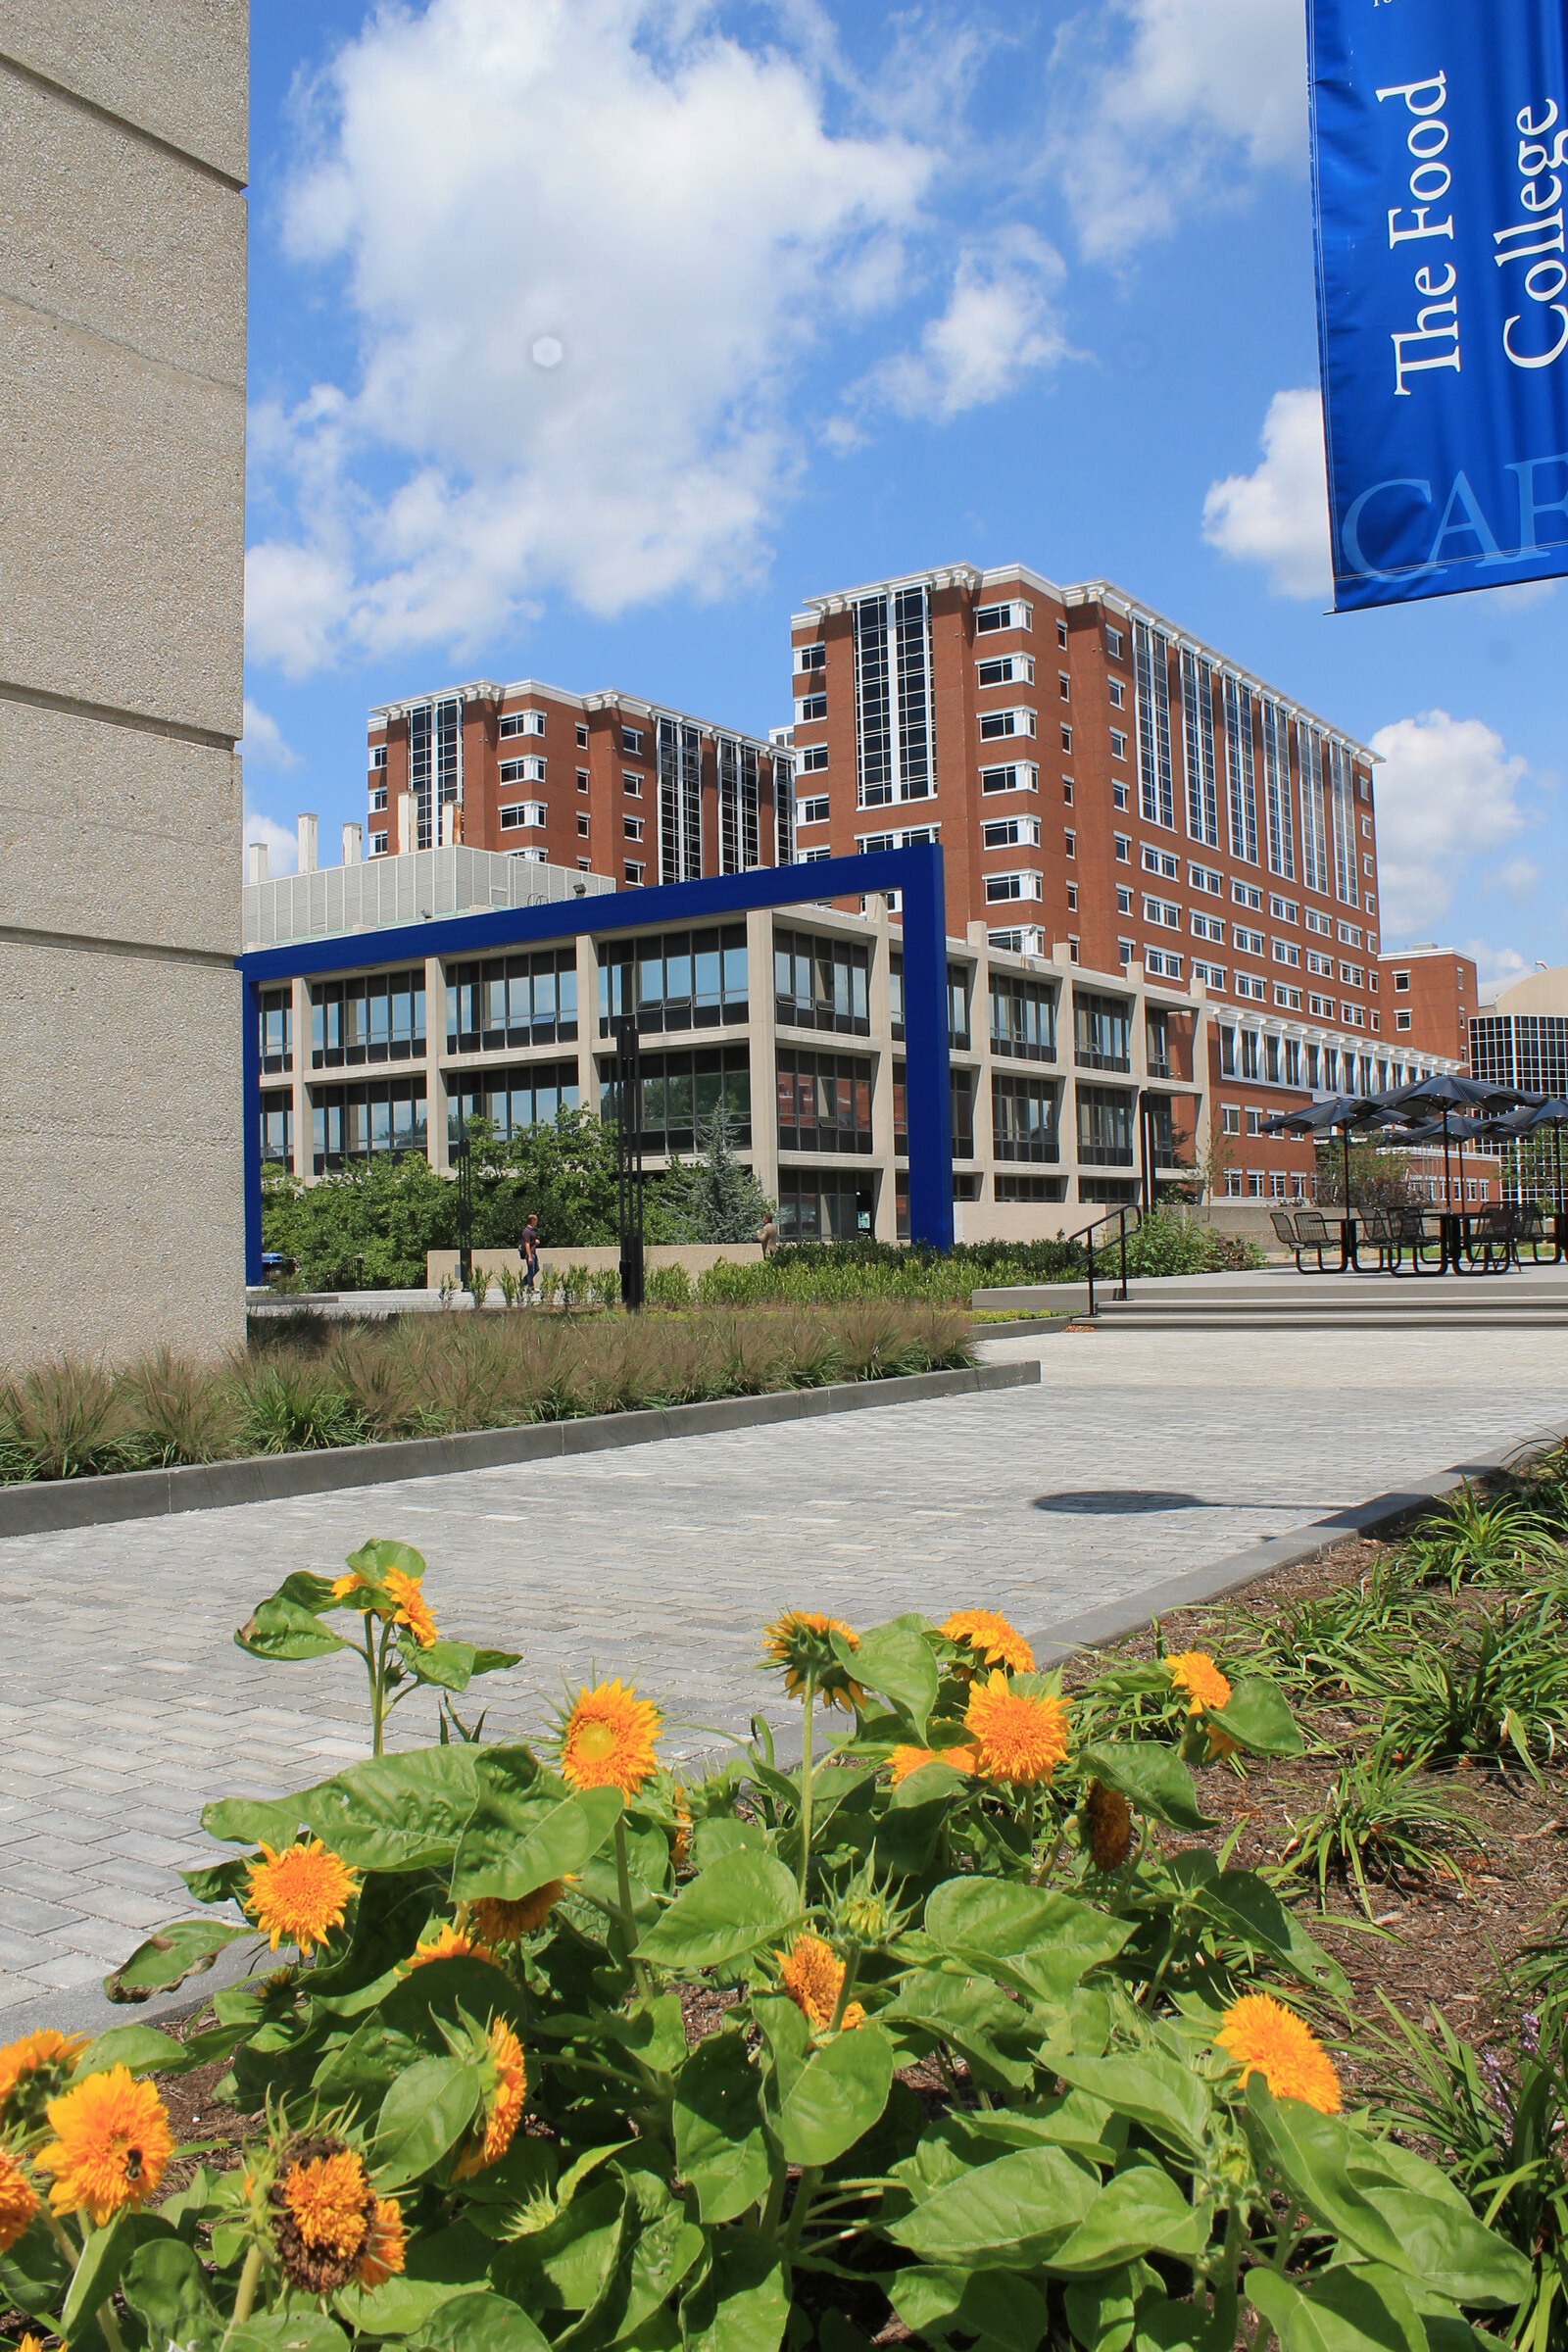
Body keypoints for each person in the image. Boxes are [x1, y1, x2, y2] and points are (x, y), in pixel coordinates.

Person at [519, 1211, 541, 1301]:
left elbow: (531, 1241)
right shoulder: (527, 1231)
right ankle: (530, 1288)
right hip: (530, 1253)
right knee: (531, 1270)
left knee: (536, 1269)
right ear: (531, 1220)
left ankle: (523, 1282)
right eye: (535, 1219)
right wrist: (529, 1256)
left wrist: (535, 1241)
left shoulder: (531, 1230)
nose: (536, 1221)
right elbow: (527, 1244)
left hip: (533, 1252)